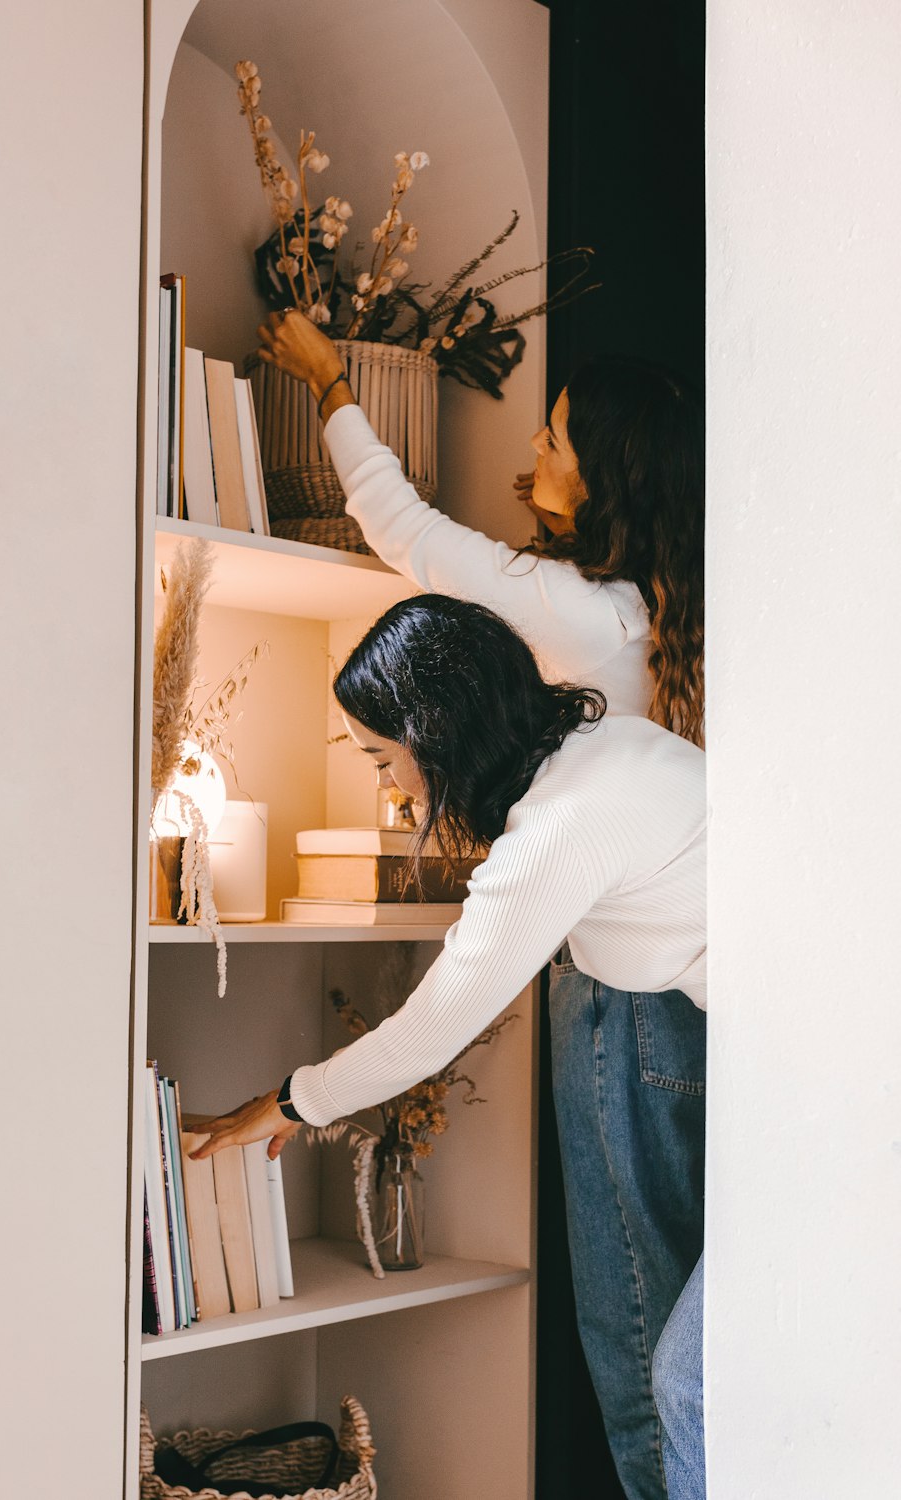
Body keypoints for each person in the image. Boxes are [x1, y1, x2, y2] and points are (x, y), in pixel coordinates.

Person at [246, 311, 706, 1500]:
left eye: (554, 441)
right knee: (685, 1343)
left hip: (628, 1006)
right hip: (678, 987)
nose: (533, 460)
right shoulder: (642, 645)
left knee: (649, 1336)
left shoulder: (574, 664)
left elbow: (405, 534)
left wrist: (332, 383)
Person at [193, 596, 707, 1500]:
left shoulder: (558, 826)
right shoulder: (611, 748)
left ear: (437, 734)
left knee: (685, 1386)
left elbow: (430, 1029)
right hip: (781, 1065)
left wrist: (281, 1104)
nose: (394, 787)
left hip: (829, 1095)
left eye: (385, 758)